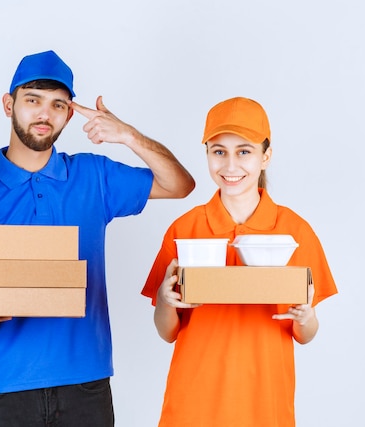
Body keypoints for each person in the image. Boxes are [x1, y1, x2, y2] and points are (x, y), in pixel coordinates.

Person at [0, 50, 195, 427]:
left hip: (85, 386)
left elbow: (180, 185)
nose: (45, 114)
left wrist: (128, 136)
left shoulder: (94, 177)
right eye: (33, 100)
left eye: (58, 104)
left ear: (69, 115)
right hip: (5, 389)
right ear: (9, 104)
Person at [141, 96, 338, 427]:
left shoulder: (294, 231)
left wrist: (306, 316)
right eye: (219, 152)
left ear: (266, 157)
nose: (230, 166)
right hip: (194, 402)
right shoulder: (185, 229)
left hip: (264, 404)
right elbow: (167, 331)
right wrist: (164, 301)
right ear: (207, 155)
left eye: (243, 151)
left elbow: (305, 334)